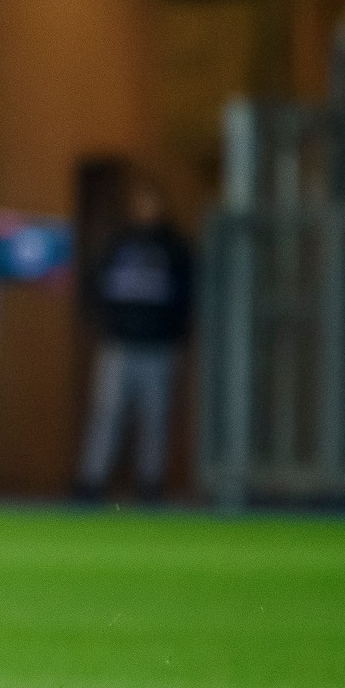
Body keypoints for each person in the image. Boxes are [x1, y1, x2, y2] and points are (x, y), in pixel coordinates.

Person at [75, 182, 194, 502]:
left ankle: (150, 483)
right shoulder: (118, 243)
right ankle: (92, 481)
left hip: (159, 345)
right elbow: (94, 284)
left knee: (155, 417)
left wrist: (177, 333)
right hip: (119, 343)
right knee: (107, 413)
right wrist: (104, 324)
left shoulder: (173, 247)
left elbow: (187, 295)